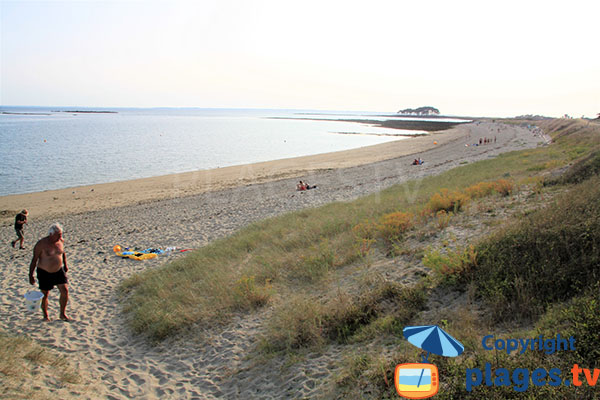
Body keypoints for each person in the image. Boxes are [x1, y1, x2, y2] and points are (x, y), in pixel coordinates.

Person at [29, 223, 71, 321]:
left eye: (61, 234)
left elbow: (63, 253)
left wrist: (65, 264)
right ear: (51, 234)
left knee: (64, 291)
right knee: (45, 294)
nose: (60, 236)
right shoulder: (41, 244)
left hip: (58, 270)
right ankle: (45, 315)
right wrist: (30, 275)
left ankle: (62, 314)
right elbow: (34, 260)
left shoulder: (61, 241)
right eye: (58, 234)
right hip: (44, 272)